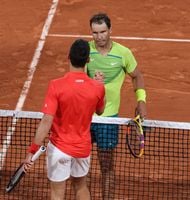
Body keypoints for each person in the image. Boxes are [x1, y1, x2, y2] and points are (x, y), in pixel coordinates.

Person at [23, 39, 105, 200]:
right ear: (88, 59)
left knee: (57, 193)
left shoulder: (56, 86)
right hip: (82, 149)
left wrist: (32, 151)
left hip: (59, 149)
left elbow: (46, 121)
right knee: (81, 187)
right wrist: (100, 87)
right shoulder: (97, 87)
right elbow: (100, 111)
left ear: (68, 57)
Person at [86, 13, 147, 199]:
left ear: (110, 30)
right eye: (95, 33)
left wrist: (141, 100)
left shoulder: (123, 53)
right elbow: (76, 77)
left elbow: (137, 76)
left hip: (108, 118)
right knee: (82, 166)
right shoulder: (86, 51)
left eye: (103, 31)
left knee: (106, 166)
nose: (99, 37)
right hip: (85, 116)